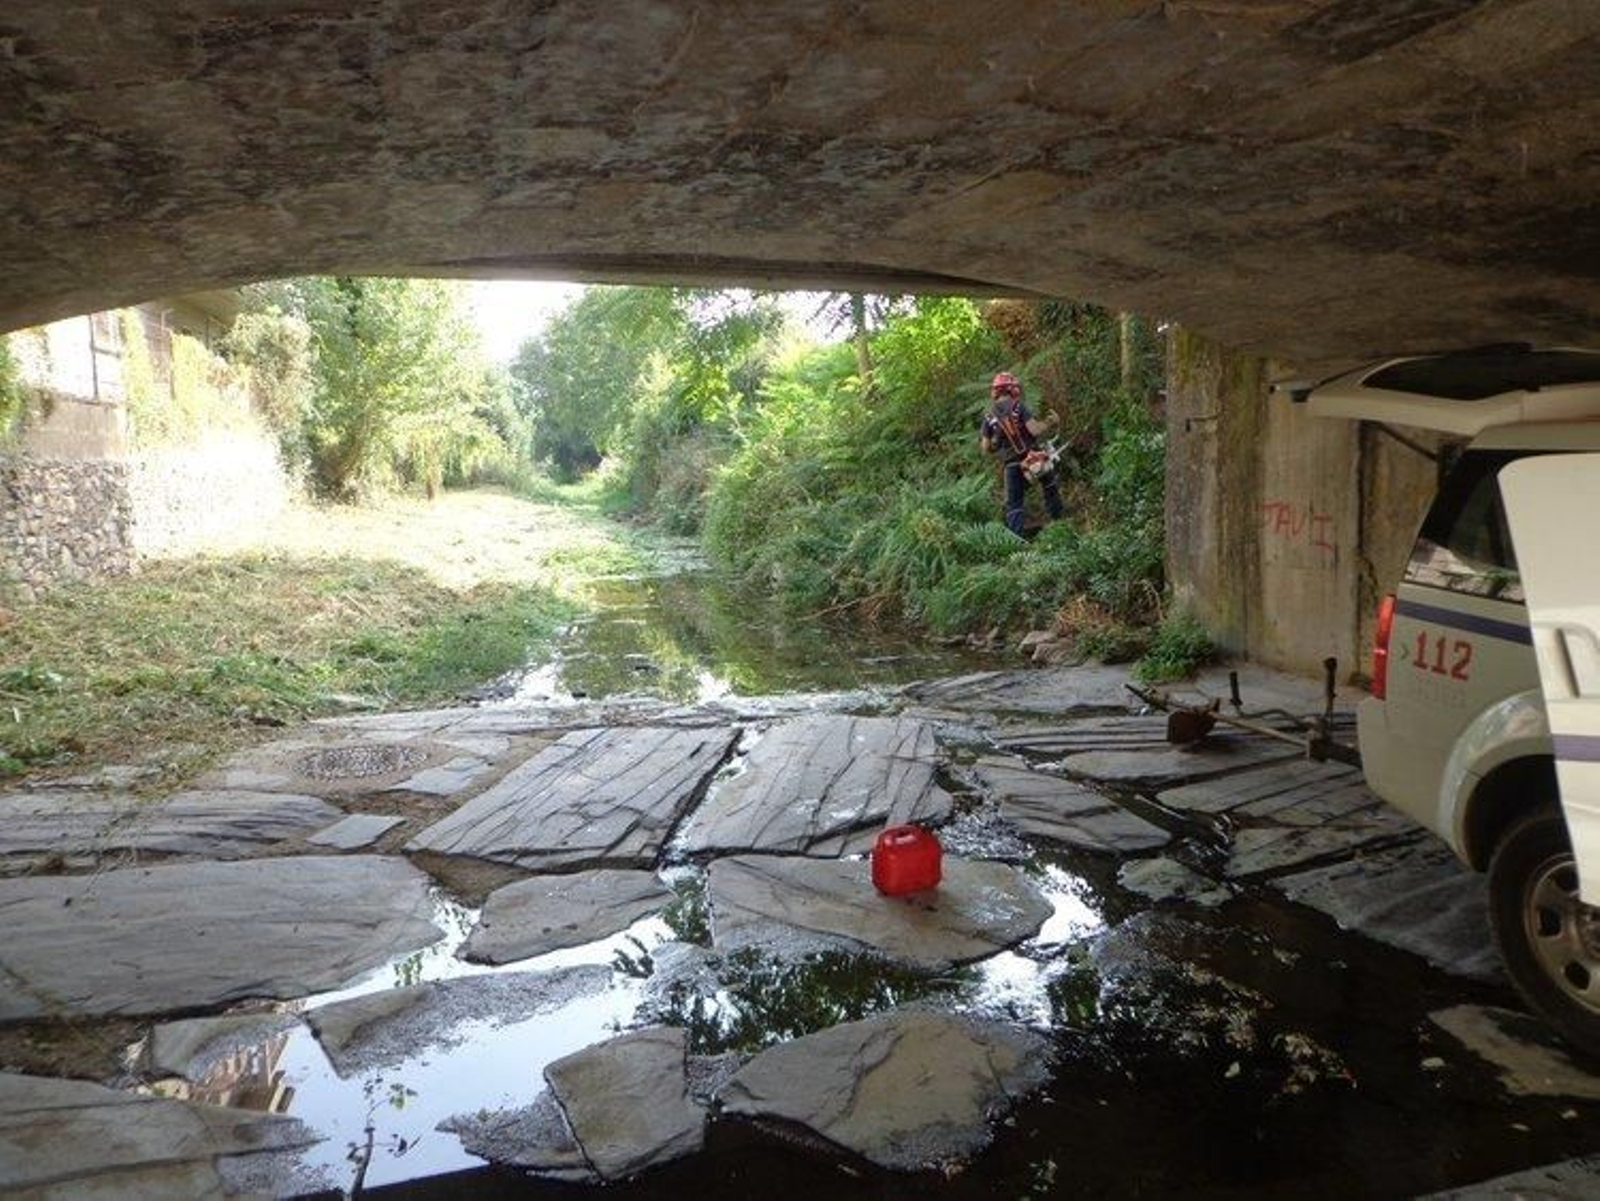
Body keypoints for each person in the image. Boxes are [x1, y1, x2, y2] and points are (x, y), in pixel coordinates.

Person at [979, 372, 1064, 536]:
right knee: (1050, 487)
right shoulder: (1019, 406)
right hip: (1034, 458)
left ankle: (1017, 546)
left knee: (1014, 504)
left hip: (1011, 465)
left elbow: (985, 448)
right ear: (1012, 389)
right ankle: (1059, 525)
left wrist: (997, 443)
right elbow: (1034, 429)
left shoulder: (989, 417)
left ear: (995, 391)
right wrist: (1051, 422)